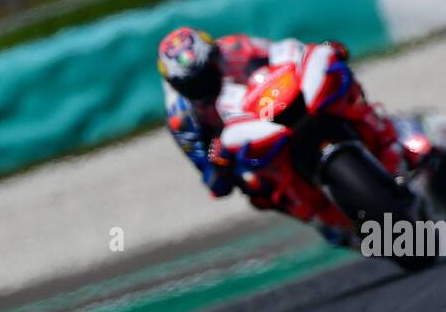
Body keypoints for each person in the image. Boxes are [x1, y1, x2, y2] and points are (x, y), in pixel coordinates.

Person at [156, 27, 422, 241]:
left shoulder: (236, 48)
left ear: (215, 55)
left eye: (208, 71)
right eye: (194, 83)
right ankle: (332, 221)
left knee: (338, 82)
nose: (204, 83)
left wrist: (321, 53)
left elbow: (286, 54)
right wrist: (220, 163)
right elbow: (214, 183)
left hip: (279, 105)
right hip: (254, 146)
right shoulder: (182, 118)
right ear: (178, 86)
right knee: (257, 189)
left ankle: (391, 133)